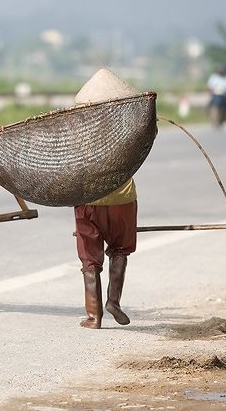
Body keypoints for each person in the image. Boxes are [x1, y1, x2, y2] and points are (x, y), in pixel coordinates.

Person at [71, 67, 141, 329]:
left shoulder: (79, 131)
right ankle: (114, 301)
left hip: (89, 200)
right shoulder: (130, 128)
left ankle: (94, 316)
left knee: (90, 258)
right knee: (120, 250)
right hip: (123, 199)